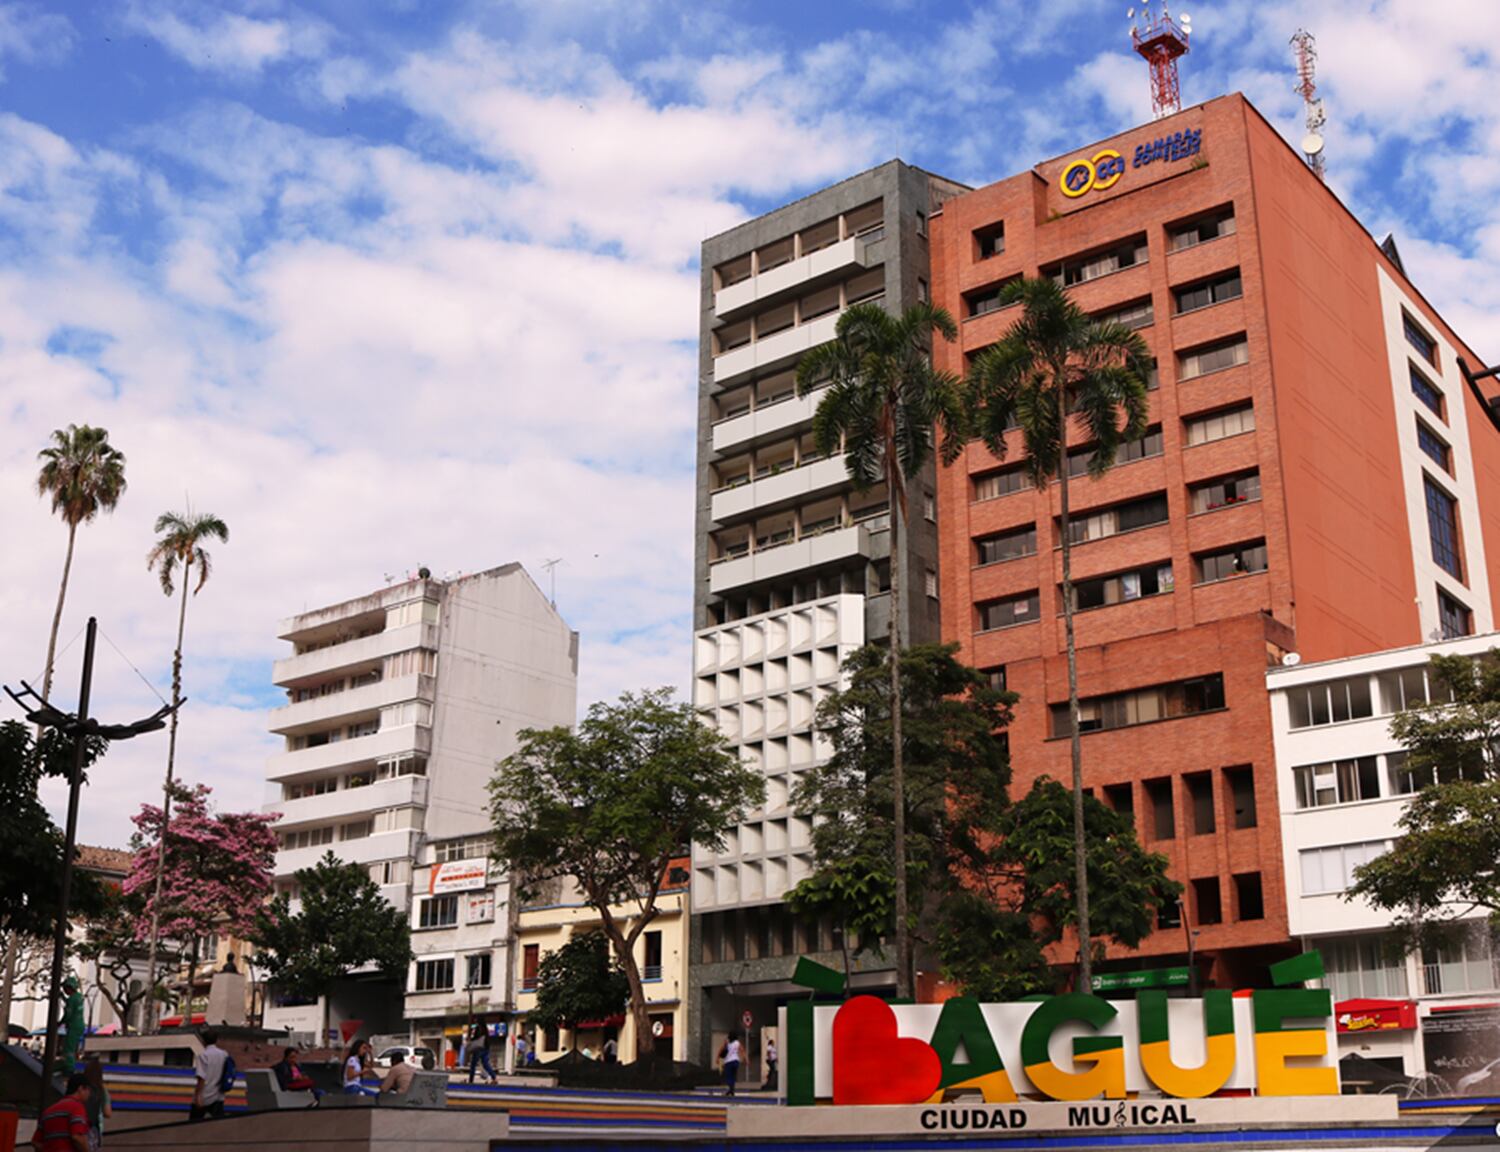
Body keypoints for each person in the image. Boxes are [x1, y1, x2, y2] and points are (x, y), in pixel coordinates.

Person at [32, 1073, 91, 1152]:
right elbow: (77, 1137)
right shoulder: (77, 1107)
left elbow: (36, 1142)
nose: (89, 1093)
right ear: (80, 1089)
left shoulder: (48, 1111)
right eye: (88, 1089)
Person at [190, 1030, 229, 1122]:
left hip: (205, 1095)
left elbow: (201, 1077)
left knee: (193, 1125)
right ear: (216, 1040)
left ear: (203, 1041)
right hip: (219, 1095)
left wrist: (197, 1096)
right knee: (218, 1125)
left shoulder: (203, 1055)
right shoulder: (224, 1054)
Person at [82, 1058, 111, 1151]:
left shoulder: (81, 1088)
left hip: (79, 1127)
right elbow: (107, 1113)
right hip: (95, 1129)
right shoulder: (101, 1090)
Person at [465, 1017, 497, 1085]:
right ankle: (494, 1077)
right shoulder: (485, 1028)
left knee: (473, 1064)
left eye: (476, 1019)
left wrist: (470, 1038)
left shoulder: (478, 1028)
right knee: (485, 1064)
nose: (475, 1020)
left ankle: (471, 1080)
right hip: (486, 1048)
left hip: (479, 1049)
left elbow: (476, 1038)